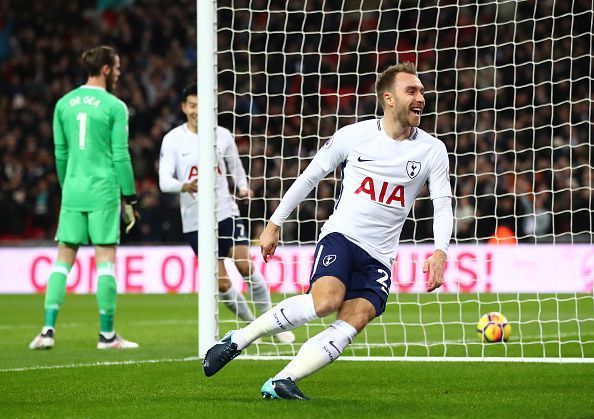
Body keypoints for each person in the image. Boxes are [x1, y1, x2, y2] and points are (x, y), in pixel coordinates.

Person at [202, 62, 454, 399]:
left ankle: (282, 381)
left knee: (357, 317)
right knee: (325, 302)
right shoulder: (354, 135)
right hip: (342, 236)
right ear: (389, 98)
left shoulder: (432, 150)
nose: (421, 97)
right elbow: (310, 177)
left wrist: (440, 251)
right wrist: (275, 222)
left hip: (380, 255)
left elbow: (443, 203)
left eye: (422, 91)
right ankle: (238, 339)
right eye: (412, 90)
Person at [158, 84, 295, 344]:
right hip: (195, 220)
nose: (197, 110)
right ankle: (255, 326)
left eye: (202, 105)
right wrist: (184, 185)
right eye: (192, 105)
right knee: (221, 283)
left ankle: (272, 324)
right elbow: (164, 181)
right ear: (184, 107)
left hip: (224, 211)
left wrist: (243, 187)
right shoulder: (173, 139)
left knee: (244, 264)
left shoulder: (222, 135)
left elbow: (235, 167)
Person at [29, 46, 140, 350]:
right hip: (103, 190)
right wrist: (130, 197)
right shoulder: (114, 106)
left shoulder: (63, 103)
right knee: (104, 261)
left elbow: (60, 153)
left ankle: (47, 331)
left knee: (63, 260)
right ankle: (106, 336)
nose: (118, 72)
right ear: (106, 69)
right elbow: (120, 155)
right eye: (116, 68)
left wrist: (68, 186)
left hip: (73, 190)